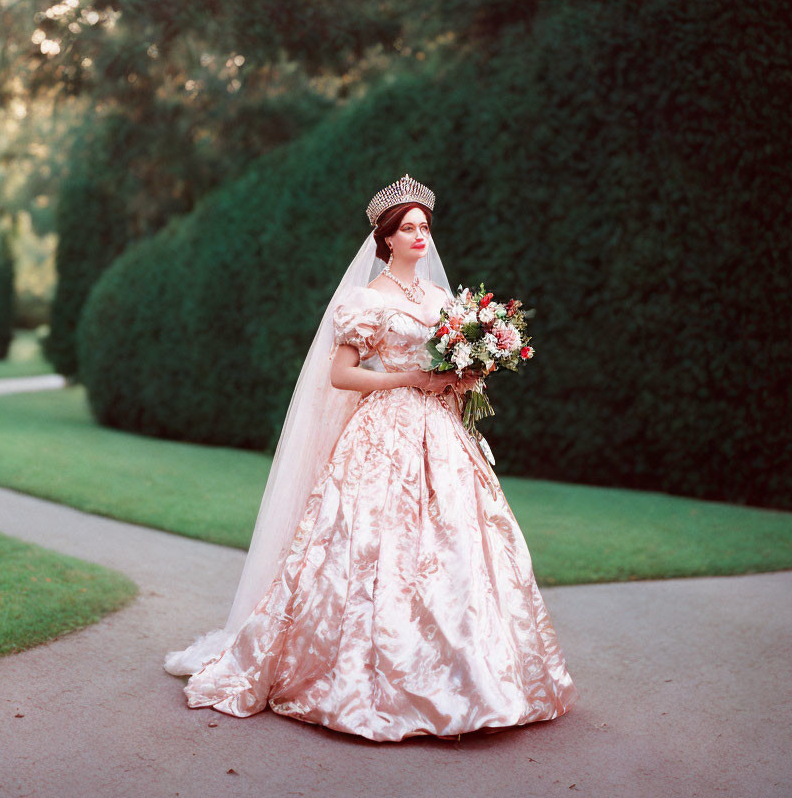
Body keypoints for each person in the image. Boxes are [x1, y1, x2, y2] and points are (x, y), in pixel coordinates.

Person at [164, 175, 578, 742]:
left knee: (459, 546)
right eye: (407, 228)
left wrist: (465, 376)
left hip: (442, 435)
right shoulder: (367, 299)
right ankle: (368, 680)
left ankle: (473, 679)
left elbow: (450, 370)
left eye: (424, 227)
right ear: (385, 239)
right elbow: (341, 374)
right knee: (369, 547)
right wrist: (411, 377)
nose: (419, 236)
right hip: (382, 433)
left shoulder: (441, 301)